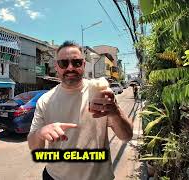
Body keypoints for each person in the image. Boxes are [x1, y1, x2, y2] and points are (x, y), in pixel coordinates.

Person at [27, 41, 133, 180]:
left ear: (83, 65)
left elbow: (126, 136)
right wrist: (40, 133)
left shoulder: (101, 93)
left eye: (76, 63)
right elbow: (34, 147)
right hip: (55, 177)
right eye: (64, 63)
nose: (70, 68)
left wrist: (115, 111)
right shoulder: (45, 101)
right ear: (57, 67)